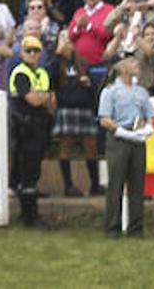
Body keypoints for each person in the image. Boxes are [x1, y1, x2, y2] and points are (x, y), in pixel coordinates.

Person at [98, 53, 154, 238]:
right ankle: (112, 226)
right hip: (119, 139)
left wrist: (145, 129)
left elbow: (150, 115)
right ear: (121, 67)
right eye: (131, 61)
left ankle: (136, 227)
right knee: (116, 184)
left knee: (137, 185)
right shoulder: (110, 91)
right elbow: (105, 119)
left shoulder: (141, 92)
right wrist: (122, 131)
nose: (136, 63)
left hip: (137, 140)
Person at [10, 35, 56, 227]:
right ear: (22, 53)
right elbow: (34, 100)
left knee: (33, 172)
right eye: (28, 51)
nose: (32, 54)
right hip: (25, 128)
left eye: (36, 51)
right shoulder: (20, 73)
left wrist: (42, 97)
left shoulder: (43, 73)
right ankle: (30, 216)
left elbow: (53, 101)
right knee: (26, 173)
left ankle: (28, 213)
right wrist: (43, 97)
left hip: (40, 126)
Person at [52, 32, 104, 197]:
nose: (67, 44)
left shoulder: (81, 62)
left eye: (69, 40)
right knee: (66, 145)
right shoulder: (55, 63)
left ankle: (95, 185)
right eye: (63, 40)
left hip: (83, 107)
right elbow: (51, 79)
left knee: (92, 146)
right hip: (66, 108)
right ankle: (68, 186)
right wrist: (56, 54)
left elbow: (94, 89)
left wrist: (88, 84)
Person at [65, 0, 114, 70]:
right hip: (79, 66)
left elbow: (107, 35)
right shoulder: (79, 11)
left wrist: (88, 26)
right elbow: (70, 36)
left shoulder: (109, 10)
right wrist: (78, 27)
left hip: (100, 64)